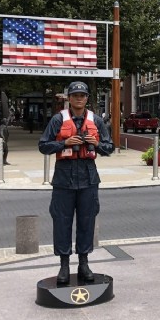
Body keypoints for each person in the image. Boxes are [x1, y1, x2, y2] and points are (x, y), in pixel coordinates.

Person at [38, 81, 114, 285]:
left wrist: (96, 144)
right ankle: (64, 264)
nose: (79, 98)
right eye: (75, 95)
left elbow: (109, 148)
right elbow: (43, 146)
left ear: (87, 98)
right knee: (61, 222)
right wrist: (64, 143)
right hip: (63, 179)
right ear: (69, 98)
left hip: (89, 179)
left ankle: (83, 262)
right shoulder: (57, 119)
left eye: (82, 95)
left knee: (87, 221)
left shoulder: (96, 120)